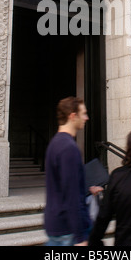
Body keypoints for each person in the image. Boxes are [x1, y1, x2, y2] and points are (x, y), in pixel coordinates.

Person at [44, 96, 92, 246]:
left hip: (56, 223)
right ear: (73, 116)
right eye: (83, 113)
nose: (87, 118)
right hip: (67, 230)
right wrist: (80, 237)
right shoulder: (69, 148)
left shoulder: (55, 143)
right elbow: (71, 195)